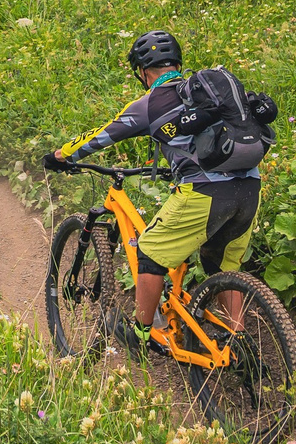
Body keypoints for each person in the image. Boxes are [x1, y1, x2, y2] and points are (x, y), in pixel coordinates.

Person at [64, 30, 254, 346]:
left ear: (142, 71)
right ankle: (239, 342)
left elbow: (101, 136)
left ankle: (141, 334)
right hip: (249, 189)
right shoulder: (207, 94)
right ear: (177, 62)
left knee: (149, 252)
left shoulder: (149, 104)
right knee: (222, 266)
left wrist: (61, 155)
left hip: (204, 193)